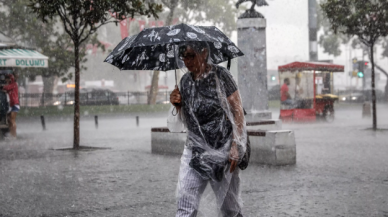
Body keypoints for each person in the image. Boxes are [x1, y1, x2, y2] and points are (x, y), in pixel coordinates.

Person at [170, 42, 247, 217]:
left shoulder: (221, 76)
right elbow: (187, 121)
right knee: (185, 204)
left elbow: (237, 110)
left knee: (230, 209)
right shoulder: (185, 82)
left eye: (190, 55)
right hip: (195, 152)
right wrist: (177, 105)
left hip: (223, 152)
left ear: (204, 52)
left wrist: (236, 145)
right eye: (183, 56)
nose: (186, 61)